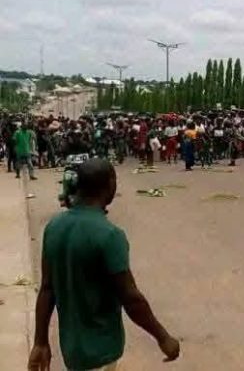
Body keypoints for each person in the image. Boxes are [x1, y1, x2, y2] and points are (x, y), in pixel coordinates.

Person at [28, 159, 179, 371]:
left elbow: (46, 289)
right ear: (110, 185)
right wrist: (163, 337)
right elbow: (131, 298)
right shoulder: (109, 235)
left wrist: (40, 341)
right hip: (101, 350)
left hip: (72, 350)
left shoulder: (53, 227)